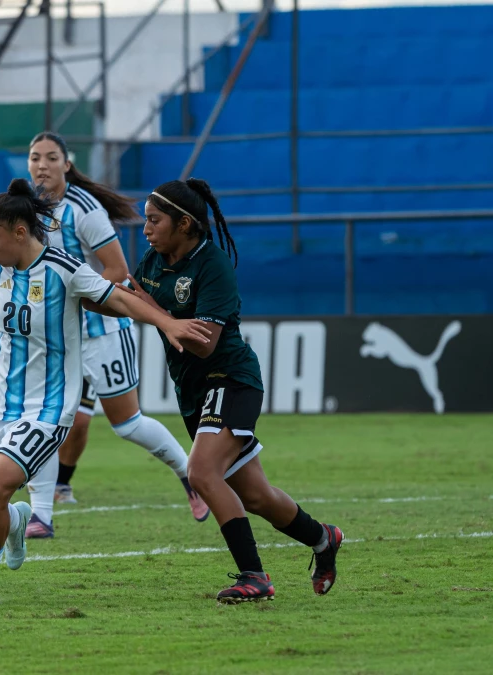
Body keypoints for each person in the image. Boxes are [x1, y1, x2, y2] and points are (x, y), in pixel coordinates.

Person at [0, 179, 211, 606]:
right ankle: (19, 521)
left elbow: (119, 299)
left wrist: (167, 323)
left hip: (47, 408)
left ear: (20, 233)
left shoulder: (65, 270)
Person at [127, 178, 343, 603]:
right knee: (257, 496)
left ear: (185, 224)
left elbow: (205, 342)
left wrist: (158, 316)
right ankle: (324, 539)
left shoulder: (213, 265)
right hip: (192, 390)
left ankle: (255, 577)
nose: (146, 228)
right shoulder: (153, 260)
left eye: (154, 220)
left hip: (230, 378)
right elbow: (131, 299)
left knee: (202, 472)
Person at [22, 131, 207, 539]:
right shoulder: (28, 211)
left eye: (51, 157)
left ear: (67, 164)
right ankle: (42, 516)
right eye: (35, 158)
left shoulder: (84, 209)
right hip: (59, 337)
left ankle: (190, 474)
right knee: (47, 421)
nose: (42, 165)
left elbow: (117, 271)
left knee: (128, 425)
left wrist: (75, 298)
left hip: (104, 330)